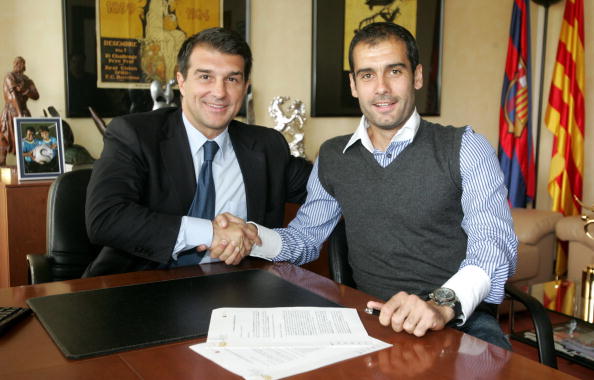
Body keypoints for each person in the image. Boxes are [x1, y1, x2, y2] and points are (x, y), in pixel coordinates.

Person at [215, 22, 518, 349]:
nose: (382, 88)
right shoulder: (333, 155)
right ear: (354, 84)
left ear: (416, 76)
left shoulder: (465, 147)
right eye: (368, 75)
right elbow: (305, 238)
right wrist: (253, 236)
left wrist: (441, 303)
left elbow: (494, 243)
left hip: (459, 320)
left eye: (395, 71)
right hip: (369, 318)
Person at [83, 27, 311, 277]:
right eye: (205, 77)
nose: (219, 92)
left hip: (237, 291)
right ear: (181, 81)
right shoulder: (135, 135)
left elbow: (331, 183)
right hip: (141, 289)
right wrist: (211, 233)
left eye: (232, 79)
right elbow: (105, 218)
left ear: (245, 86)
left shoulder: (267, 146)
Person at [1, 56, 40, 165]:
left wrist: (25, 90)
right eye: (18, 63)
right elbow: (13, 96)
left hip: (23, 111)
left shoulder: (27, 80)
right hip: (11, 111)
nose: (20, 66)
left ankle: (26, 165)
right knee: (5, 136)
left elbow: (36, 95)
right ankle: (2, 162)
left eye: (22, 63)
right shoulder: (10, 77)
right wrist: (19, 114)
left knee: (25, 137)